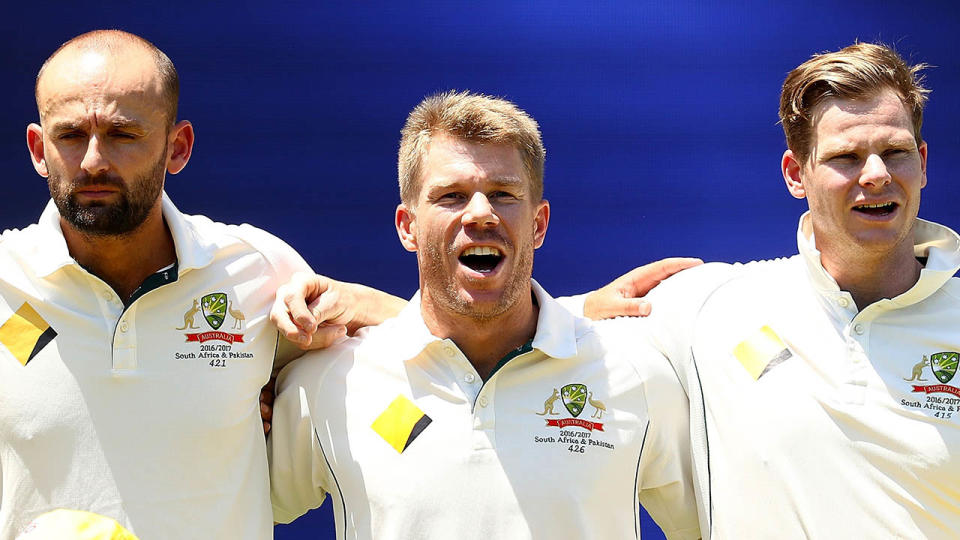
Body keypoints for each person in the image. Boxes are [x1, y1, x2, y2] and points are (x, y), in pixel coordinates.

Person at [0, 29, 401, 538]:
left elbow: (420, 364)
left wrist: (357, 303)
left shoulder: (256, 268)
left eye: (123, 134)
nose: (94, 160)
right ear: (38, 149)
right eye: (71, 135)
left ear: (178, 147)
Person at [268, 91, 702, 539]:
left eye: (503, 193)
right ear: (407, 226)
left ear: (538, 224)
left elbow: (720, 522)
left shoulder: (637, 376)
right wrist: (253, 376)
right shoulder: (329, 384)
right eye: (452, 196)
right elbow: (225, 507)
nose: (481, 213)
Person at [581, 42, 960, 538]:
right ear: (794, 175)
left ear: (923, 161)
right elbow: (530, 337)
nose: (876, 175)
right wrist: (579, 311)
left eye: (895, 152)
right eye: (846, 157)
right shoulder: (707, 304)